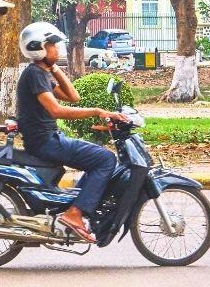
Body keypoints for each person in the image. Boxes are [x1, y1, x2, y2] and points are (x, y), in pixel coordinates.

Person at [15, 22, 130, 243]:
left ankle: (75, 206)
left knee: (96, 159)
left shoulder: (41, 73)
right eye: (52, 46)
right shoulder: (34, 75)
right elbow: (56, 110)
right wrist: (97, 111)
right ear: (37, 47)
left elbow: (73, 96)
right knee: (105, 159)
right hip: (45, 142)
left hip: (49, 139)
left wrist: (54, 67)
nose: (56, 50)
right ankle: (74, 214)